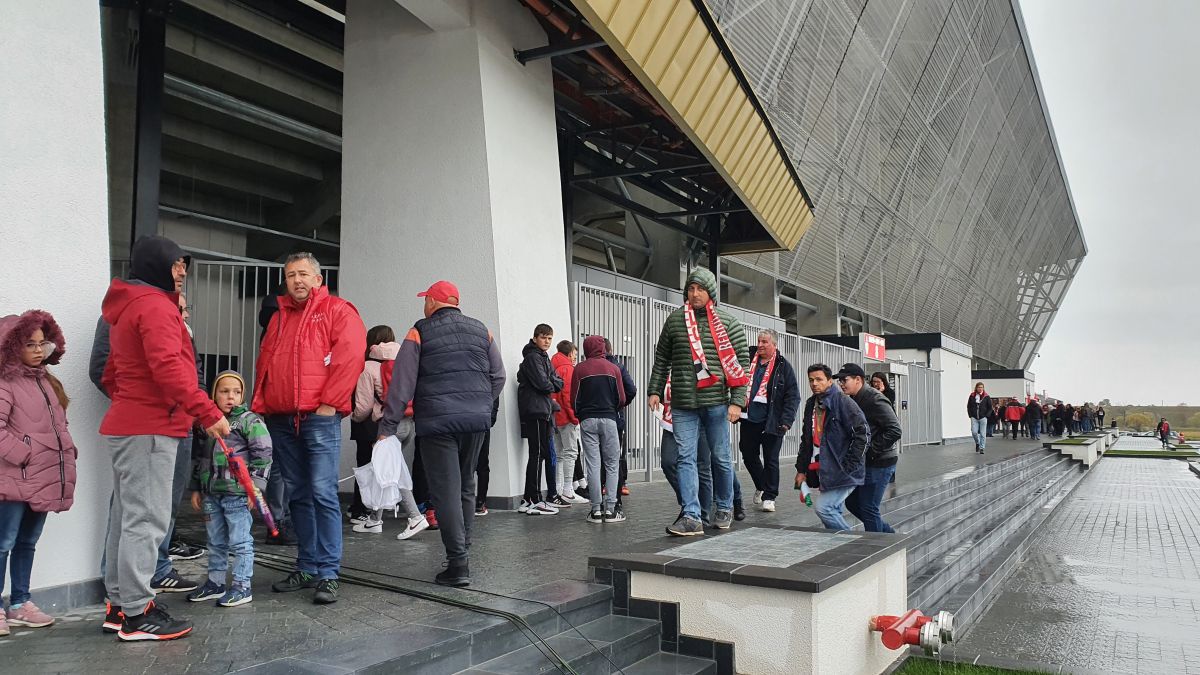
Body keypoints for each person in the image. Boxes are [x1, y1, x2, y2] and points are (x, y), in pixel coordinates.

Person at [99, 235, 229, 641]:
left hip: (132, 424)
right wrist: (208, 412)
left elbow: (111, 373)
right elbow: (169, 368)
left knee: (127, 518)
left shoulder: (128, 307)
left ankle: (121, 606)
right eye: (177, 265)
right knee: (146, 520)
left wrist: (131, 401)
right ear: (157, 264)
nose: (182, 273)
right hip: (150, 428)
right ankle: (138, 615)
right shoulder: (154, 306)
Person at [254, 252, 366, 605]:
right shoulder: (279, 317)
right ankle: (307, 565)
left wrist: (329, 403)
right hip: (283, 418)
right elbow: (266, 362)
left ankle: (329, 573)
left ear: (318, 279)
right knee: (298, 494)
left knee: (322, 493)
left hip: (319, 416)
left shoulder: (337, 310)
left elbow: (350, 355)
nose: (297, 281)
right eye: (290, 276)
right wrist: (263, 404)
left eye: (303, 274)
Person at [378, 281, 505, 587]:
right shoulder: (482, 330)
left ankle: (458, 563)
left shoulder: (419, 331)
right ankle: (462, 552)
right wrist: (481, 403)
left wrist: (387, 428)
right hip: (475, 423)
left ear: (433, 303)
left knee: (445, 491)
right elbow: (498, 375)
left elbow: (402, 384)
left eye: (426, 300)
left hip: (437, 423)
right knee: (465, 486)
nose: (424, 305)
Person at [647, 267, 750, 537]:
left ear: (710, 293)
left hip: (717, 402)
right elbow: (662, 360)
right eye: (691, 289)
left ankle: (725, 506)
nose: (694, 294)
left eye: (700, 289)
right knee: (685, 458)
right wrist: (654, 390)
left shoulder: (729, 323)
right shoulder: (674, 321)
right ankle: (691, 515)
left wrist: (737, 401)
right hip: (682, 403)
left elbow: (742, 366)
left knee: (720, 457)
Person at [0, 310, 77, 635]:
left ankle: (20, 603)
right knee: (3, 542)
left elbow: (58, 426)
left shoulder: (47, 381)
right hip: (13, 479)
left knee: (28, 542)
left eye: (41, 343)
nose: (36, 349)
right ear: (12, 345)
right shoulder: (5, 383)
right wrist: (26, 456)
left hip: (42, 478)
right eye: (28, 343)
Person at [186, 371, 271, 607]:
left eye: (236, 391)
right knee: (215, 541)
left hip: (238, 495)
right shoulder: (206, 423)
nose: (230, 396)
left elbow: (263, 456)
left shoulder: (250, 421)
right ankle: (215, 583)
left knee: (241, 542)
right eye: (224, 391)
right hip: (212, 494)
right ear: (214, 394)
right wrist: (196, 487)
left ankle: (242, 586)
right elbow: (199, 457)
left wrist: (256, 488)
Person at [350, 326, 428, 540]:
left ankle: (414, 517)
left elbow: (364, 406)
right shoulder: (405, 360)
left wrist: (353, 417)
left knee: (394, 472)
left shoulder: (368, 367)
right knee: (384, 470)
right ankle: (375, 520)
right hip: (408, 424)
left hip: (386, 425)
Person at [795, 364, 869, 531]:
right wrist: (801, 470)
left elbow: (863, 433)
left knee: (824, 508)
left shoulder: (842, 401)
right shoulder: (811, 404)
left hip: (843, 469)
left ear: (829, 381)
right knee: (833, 509)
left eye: (819, 379)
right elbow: (806, 440)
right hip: (824, 469)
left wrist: (849, 465)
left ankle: (853, 544)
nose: (814, 383)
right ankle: (840, 548)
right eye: (811, 380)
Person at [738, 330, 800, 514]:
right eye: (759, 341)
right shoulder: (749, 360)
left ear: (774, 345)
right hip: (749, 419)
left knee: (771, 459)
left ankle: (770, 496)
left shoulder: (783, 366)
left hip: (772, 421)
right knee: (748, 454)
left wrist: (786, 421)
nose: (761, 344)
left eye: (765, 341)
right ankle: (762, 485)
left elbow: (793, 396)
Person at [838, 363, 902, 533]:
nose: (841, 384)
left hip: (881, 462)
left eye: (845, 380)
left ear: (858, 380)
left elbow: (895, 430)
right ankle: (888, 534)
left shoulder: (874, 398)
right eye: (839, 381)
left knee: (868, 507)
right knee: (852, 502)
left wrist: (870, 450)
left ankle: (876, 548)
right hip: (865, 462)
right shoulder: (853, 398)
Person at [572, 336, 628, 523]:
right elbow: (621, 397)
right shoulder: (613, 368)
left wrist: (580, 414)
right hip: (610, 419)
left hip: (587, 420)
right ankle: (611, 510)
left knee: (593, 465)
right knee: (612, 464)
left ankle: (596, 510)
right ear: (603, 348)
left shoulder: (579, 369)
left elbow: (574, 398)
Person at [517, 324, 563, 515]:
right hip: (535, 411)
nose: (547, 341)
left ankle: (530, 498)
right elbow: (545, 384)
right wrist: (551, 381)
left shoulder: (543, 357)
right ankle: (533, 499)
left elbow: (558, 382)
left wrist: (551, 381)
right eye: (544, 337)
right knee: (536, 454)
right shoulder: (533, 357)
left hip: (542, 410)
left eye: (550, 338)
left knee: (540, 454)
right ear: (535, 338)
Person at [603, 338, 637, 512]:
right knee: (616, 455)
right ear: (611, 349)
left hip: (593, 418)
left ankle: (602, 490)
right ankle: (618, 490)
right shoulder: (618, 367)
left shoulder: (586, 366)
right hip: (615, 417)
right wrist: (620, 404)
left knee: (598, 457)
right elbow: (631, 389)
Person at [550, 341, 586, 506]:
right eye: (575, 355)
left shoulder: (552, 366)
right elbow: (568, 396)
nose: (575, 359)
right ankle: (568, 490)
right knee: (571, 453)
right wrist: (575, 417)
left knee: (559, 454)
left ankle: (558, 489)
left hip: (555, 417)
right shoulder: (568, 369)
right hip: (566, 418)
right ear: (570, 353)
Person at [474, 398, 499, 516]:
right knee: (468, 465)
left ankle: (481, 501)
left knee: (482, 463)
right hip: (471, 421)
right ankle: (477, 502)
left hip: (481, 422)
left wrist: (490, 420)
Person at [967, 383, 991, 454]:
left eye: (981, 387)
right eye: (979, 387)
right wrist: (970, 415)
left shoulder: (986, 396)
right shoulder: (972, 396)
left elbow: (990, 408)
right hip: (974, 417)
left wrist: (987, 415)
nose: (980, 388)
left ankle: (982, 448)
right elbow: (969, 406)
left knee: (983, 434)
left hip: (983, 418)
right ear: (976, 388)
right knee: (974, 432)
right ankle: (977, 443)